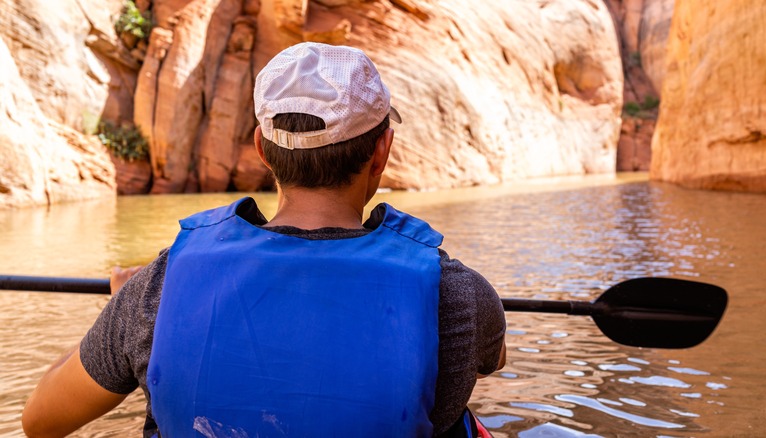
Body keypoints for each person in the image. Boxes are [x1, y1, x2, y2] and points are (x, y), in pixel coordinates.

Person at [22, 42, 506, 437]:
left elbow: (41, 422)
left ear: (261, 149)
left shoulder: (157, 290)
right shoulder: (457, 293)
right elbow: (492, 358)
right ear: (382, 151)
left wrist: (122, 306)